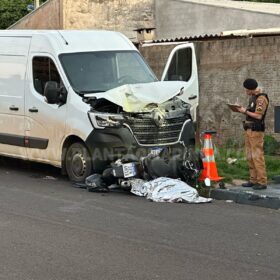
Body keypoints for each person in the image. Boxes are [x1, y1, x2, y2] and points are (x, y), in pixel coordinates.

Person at [237, 78, 269, 190]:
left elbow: (258, 116)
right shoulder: (253, 98)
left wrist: (244, 111)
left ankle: (262, 181)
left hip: (256, 131)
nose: (246, 91)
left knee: (257, 156)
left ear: (251, 89)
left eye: (247, 89)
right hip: (249, 130)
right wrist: (242, 109)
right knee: (250, 156)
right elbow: (251, 112)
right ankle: (253, 179)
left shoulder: (261, 99)